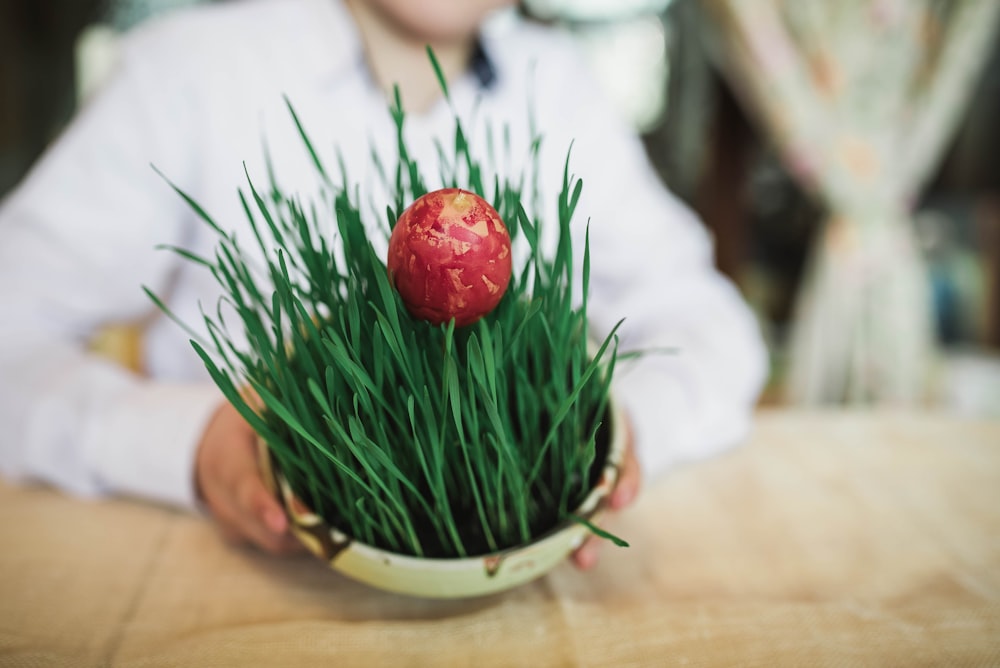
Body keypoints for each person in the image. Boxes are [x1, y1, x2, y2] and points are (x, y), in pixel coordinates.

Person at [0, 0, 767, 569]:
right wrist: (191, 442)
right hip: (237, 580)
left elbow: (709, 325)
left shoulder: (562, 87)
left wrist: (621, 434)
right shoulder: (185, 74)